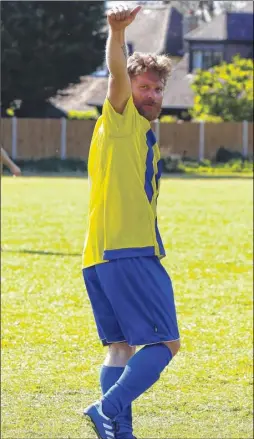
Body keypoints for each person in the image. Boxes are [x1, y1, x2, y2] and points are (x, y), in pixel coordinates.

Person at [82, 4, 180, 439]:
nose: (151, 96)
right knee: (165, 343)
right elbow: (116, 74)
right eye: (144, 87)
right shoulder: (121, 121)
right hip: (128, 251)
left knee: (121, 348)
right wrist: (118, 35)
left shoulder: (136, 133)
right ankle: (107, 408)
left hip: (98, 257)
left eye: (158, 89)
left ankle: (119, 432)